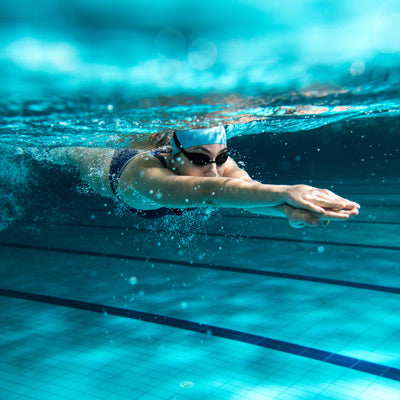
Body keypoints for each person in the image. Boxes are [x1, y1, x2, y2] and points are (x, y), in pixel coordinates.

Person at [49, 125, 360, 227]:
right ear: (173, 154)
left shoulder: (216, 164)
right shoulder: (145, 175)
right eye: (199, 159)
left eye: (221, 157)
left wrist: (289, 212)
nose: (213, 169)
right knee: (62, 150)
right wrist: (289, 191)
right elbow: (209, 191)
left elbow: (247, 192)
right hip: (104, 163)